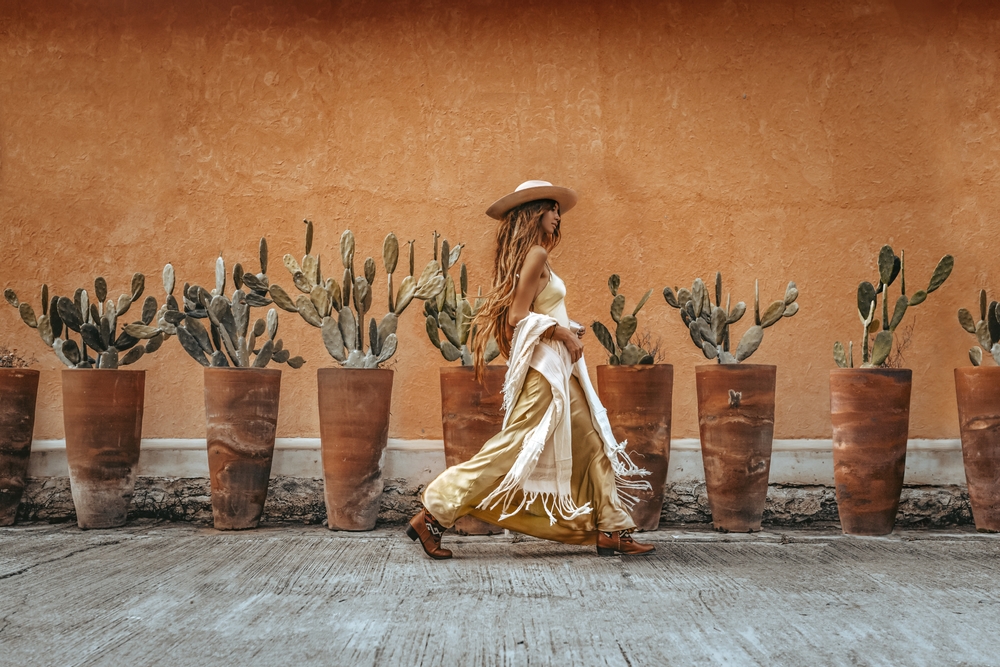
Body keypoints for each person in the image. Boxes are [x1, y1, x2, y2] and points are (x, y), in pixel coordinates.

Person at [406, 180, 655, 560]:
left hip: (561, 367)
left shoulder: (539, 256)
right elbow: (517, 317)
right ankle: (434, 513)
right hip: (545, 373)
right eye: (552, 208)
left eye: (558, 209)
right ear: (536, 212)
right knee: (513, 446)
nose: (558, 216)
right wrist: (561, 333)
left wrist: (567, 329)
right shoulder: (535, 253)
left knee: (593, 441)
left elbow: (536, 312)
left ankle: (612, 530)